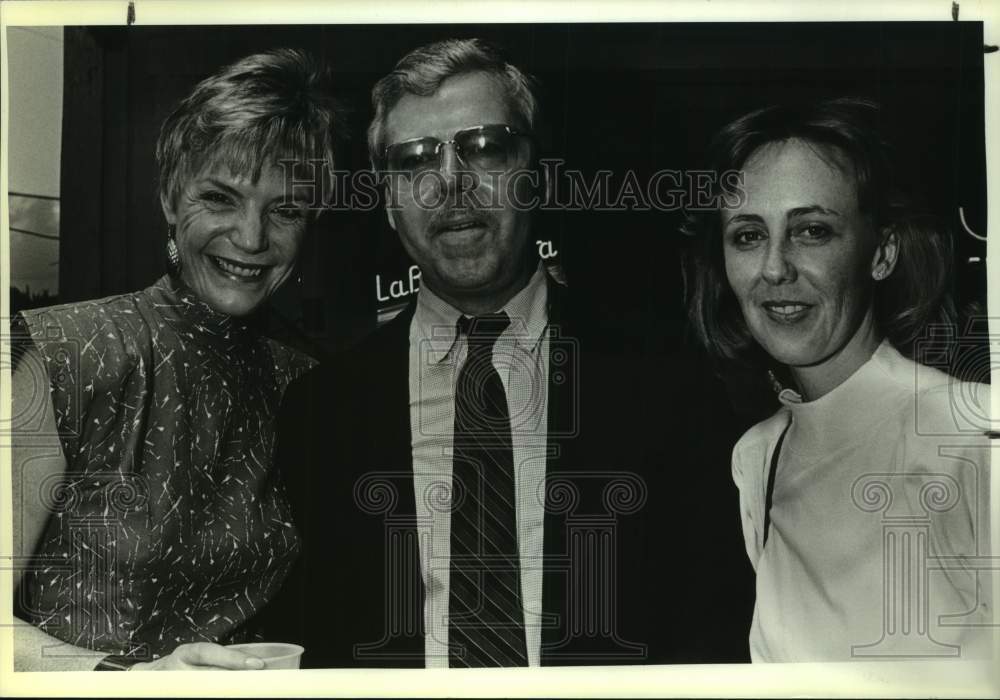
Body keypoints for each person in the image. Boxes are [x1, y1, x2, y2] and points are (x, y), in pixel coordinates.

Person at [265, 37, 752, 668]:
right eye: (413, 162)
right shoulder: (320, 413)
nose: (450, 182)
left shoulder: (667, 382)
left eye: (485, 147)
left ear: (537, 175)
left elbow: (712, 628)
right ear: (388, 203)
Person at [10, 48, 342, 671]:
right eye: (220, 198)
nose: (250, 238)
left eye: (286, 209)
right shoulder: (62, 355)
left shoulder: (306, 385)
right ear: (169, 198)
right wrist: (133, 679)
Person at [685, 97, 992, 662]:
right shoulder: (757, 457)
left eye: (811, 231)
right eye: (748, 235)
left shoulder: (974, 436)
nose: (775, 268)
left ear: (881, 252)